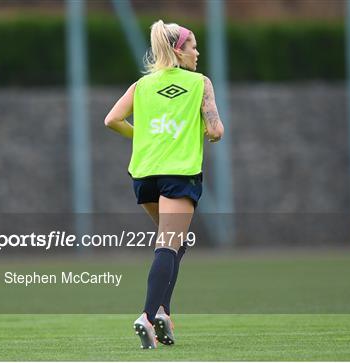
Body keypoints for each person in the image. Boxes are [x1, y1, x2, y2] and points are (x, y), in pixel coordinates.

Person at [104, 20, 224, 349]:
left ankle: (162, 313)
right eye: (192, 46)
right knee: (169, 245)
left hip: (143, 176)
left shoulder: (141, 86)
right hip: (177, 175)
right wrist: (198, 130)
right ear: (178, 50)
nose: (197, 52)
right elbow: (216, 130)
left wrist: (141, 134)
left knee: (175, 241)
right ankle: (147, 314)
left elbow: (111, 119)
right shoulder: (200, 83)